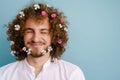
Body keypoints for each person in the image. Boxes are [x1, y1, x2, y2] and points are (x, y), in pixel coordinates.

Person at [0, 3, 85, 80]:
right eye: (29, 31)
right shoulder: (3, 74)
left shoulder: (72, 74)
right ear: (21, 35)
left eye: (43, 32)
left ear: (54, 36)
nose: (36, 39)